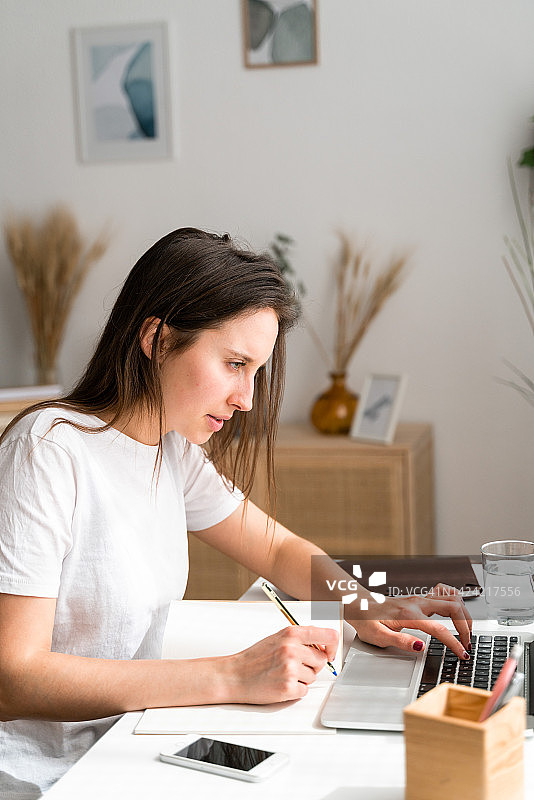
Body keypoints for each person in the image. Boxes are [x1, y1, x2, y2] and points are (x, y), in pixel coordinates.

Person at [0, 227, 471, 798]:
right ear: (156, 337)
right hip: (37, 776)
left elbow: (275, 549)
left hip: (124, 737)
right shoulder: (49, 448)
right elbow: (13, 677)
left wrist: (365, 606)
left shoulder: (170, 449)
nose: (247, 398)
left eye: (256, 371)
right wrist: (231, 673)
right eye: (233, 363)